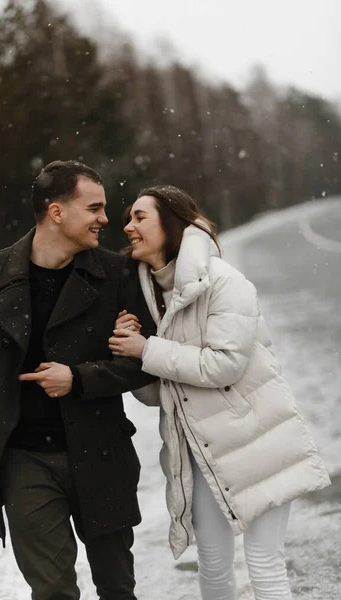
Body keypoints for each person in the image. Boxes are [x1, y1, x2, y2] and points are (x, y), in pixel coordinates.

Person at [108, 184, 331, 600]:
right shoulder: (149, 296)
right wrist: (133, 353)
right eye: (128, 218)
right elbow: (162, 395)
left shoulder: (225, 282)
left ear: (171, 223)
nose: (128, 227)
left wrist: (149, 349)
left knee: (264, 563)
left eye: (140, 217)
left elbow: (224, 365)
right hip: (202, 453)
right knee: (212, 563)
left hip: (256, 440)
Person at [0, 160, 157, 600]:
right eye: (95, 208)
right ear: (57, 212)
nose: (106, 218)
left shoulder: (116, 273)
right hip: (24, 458)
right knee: (52, 591)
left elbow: (147, 361)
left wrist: (79, 379)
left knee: (117, 587)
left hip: (101, 449)